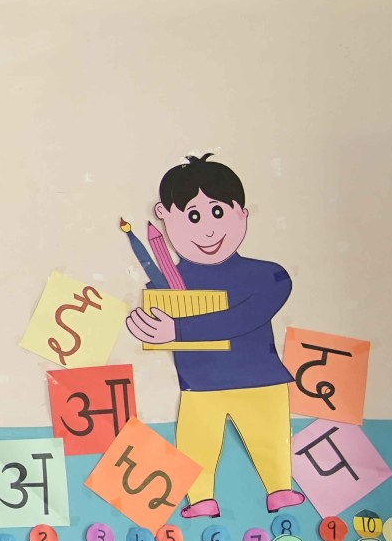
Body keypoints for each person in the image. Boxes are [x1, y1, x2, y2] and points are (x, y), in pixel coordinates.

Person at [125, 154, 306, 517]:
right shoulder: (165, 287)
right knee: (196, 443)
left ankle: (280, 488)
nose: (207, 231)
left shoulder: (269, 276)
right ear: (164, 215)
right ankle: (201, 498)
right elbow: (164, 328)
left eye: (218, 212)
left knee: (270, 436)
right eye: (193, 216)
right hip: (200, 383)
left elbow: (242, 318)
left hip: (261, 379)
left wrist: (177, 330)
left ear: (243, 213)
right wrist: (147, 327)